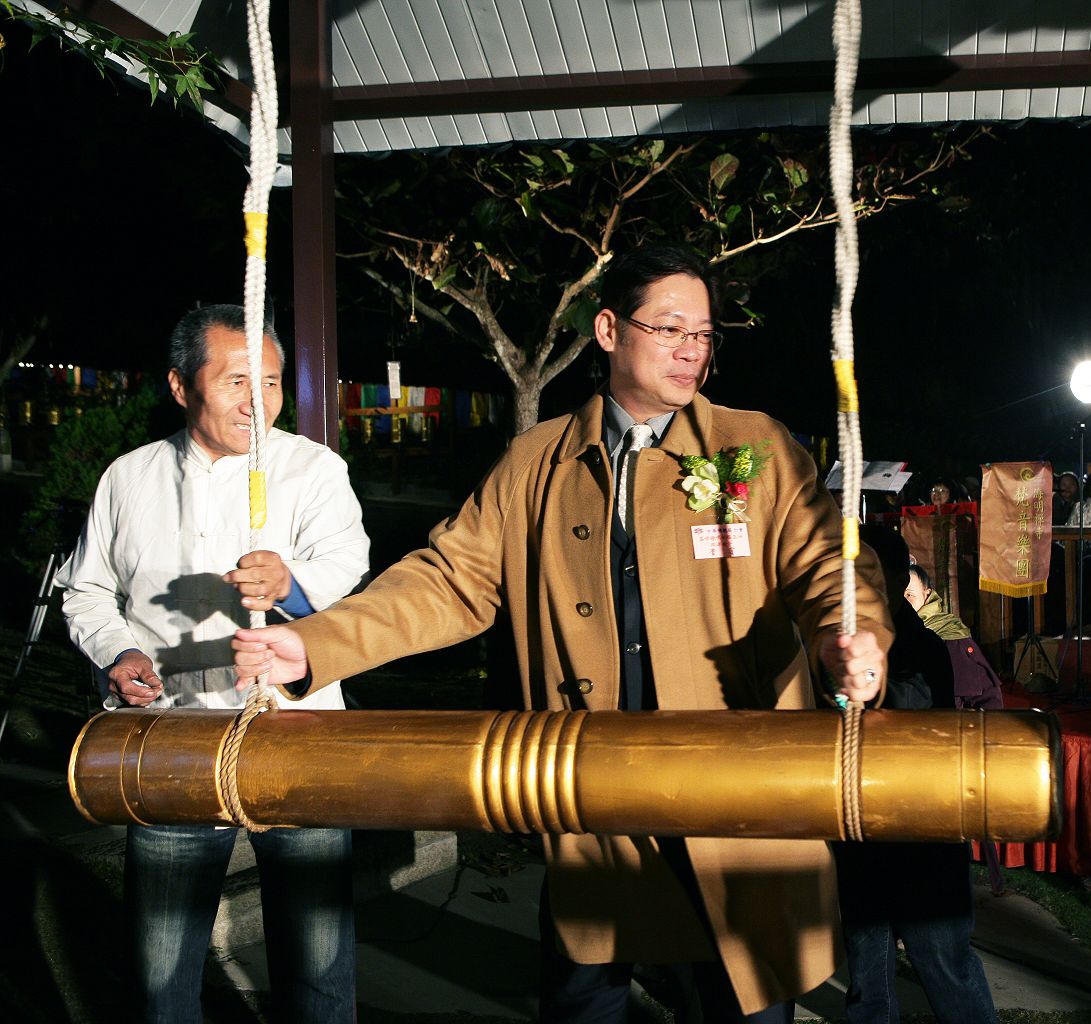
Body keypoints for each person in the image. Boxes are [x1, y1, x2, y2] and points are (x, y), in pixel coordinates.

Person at [231, 244, 892, 1023]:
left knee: (740, 1000)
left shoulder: (755, 447)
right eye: (670, 329)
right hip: (593, 792)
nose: (692, 350)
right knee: (584, 994)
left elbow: (828, 560)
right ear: (609, 330)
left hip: (735, 789)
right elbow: (449, 580)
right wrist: (317, 644)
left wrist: (850, 632)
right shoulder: (536, 461)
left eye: (704, 334)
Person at [56, 304, 370, 1023]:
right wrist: (119, 651)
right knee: (162, 972)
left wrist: (290, 585)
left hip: (296, 736)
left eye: (271, 381)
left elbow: (348, 568)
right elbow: (87, 589)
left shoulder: (313, 470)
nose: (258, 401)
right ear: (180, 385)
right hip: (174, 744)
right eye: (236, 381)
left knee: (319, 965)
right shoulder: (129, 478)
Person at [835, 528, 998, 1024]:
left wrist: (856, 689)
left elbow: (913, 703)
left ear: (892, 577)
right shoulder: (837, 641)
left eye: (866, 572)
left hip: (922, 825)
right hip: (860, 822)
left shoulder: (923, 641)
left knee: (944, 963)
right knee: (868, 970)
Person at [903, 564, 1005, 712]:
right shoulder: (890, 632)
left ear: (927, 594)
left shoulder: (951, 638)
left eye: (909, 595)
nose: (903, 601)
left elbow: (986, 697)